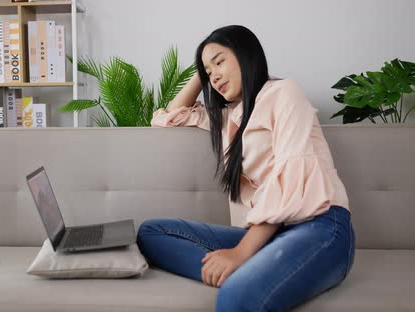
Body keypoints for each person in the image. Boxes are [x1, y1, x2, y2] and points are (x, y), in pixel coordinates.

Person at [137, 25, 356, 312]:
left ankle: (243, 273)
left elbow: (290, 180)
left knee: (234, 298)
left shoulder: (284, 93)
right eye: (207, 71)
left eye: (220, 61)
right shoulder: (229, 117)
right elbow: (166, 118)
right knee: (152, 232)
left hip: (320, 227)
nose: (213, 76)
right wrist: (201, 72)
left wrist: (241, 253)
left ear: (245, 55)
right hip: (270, 235)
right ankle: (248, 270)